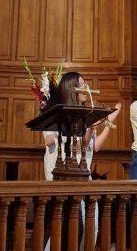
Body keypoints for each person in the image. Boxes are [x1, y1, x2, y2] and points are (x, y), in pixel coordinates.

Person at [43, 71, 120, 251]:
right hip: (62, 176)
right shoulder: (56, 112)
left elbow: (95, 146)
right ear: (71, 88)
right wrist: (90, 128)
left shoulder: (86, 114)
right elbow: (74, 145)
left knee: (92, 226)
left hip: (83, 174)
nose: (86, 88)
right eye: (82, 84)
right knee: (65, 227)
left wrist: (107, 123)